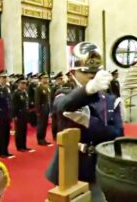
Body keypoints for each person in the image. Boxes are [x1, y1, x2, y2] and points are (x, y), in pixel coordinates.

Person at [45, 42, 117, 202]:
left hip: (97, 166)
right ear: (72, 72)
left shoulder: (107, 97)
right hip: (69, 166)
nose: (92, 75)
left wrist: (91, 122)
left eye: (95, 71)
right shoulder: (64, 93)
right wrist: (88, 90)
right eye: (86, 71)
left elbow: (116, 132)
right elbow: (62, 105)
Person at [0, 70, 14, 158]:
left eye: (6, 77)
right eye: (3, 78)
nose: (5, 79)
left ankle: (6, 150)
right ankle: (1, 151)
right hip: (0, 115)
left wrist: (10, 114)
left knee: (6, 134)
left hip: (7, 115)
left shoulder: (7, 89)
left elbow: (9, 102)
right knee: (0, 134)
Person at [12, 76, 34, 152]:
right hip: (19, 115)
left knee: (24, 130)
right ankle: (19, 146)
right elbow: (14, 105)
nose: (24, 85)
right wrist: (14, 115)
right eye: (22, 83)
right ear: (19, 84)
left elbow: (26, 104)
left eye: (25, 83)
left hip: (25, 114)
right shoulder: (16, 93)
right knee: (19, 131)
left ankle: (24, 145)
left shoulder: (25, 92)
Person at [35, 73, 52, 146]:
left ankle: (43, 138)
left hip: (46, 108)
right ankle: (40, 139)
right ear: (41, 79)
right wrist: (38, 110)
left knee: (45, 124)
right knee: (41, 124)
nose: (46, 79)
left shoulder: (47, 87)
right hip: (41, 108)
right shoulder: (39, 88)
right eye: (44, 78)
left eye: (47, 78)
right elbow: (37, 100)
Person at [50, 72, 64, 140]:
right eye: (59, 79)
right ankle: (54, 135)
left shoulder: (63, 87)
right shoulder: (53, 88)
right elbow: (51, 99)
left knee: (60, 122)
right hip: (55, 107)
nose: (61, 81)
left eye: (61, 79)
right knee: (55, 123)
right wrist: (51, 109)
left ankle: (59, 134)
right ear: (56, 80)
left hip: (61, 107)